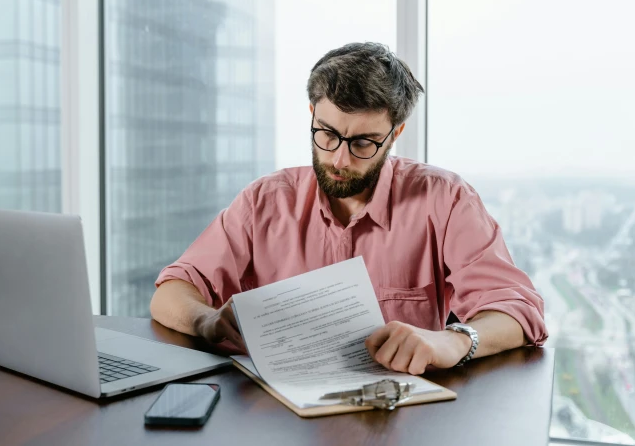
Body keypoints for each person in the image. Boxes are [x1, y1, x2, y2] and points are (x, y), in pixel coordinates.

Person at [151, 42, 547, 375]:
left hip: (394, 415)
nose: (340, 160)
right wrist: (205, 321)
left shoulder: (446, 199)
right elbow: (172, 292)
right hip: (274, 415)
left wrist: (454, 339)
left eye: (363, 143)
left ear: (395, 134)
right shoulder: (264, 201)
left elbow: (518, 309)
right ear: (312, 115)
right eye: (327, 134)